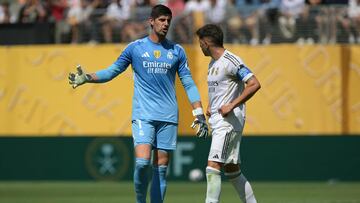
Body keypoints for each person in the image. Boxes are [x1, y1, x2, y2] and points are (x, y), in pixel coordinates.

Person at [68, 4, 208, 203]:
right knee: (142, 163)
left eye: (168, 20)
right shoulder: (135, 48)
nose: (166, 23)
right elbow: (113, 70)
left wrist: (198, 112)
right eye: (161, 20)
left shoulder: (177, 51)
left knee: (161, 169)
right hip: (143, 114)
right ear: (151, 22)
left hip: (168, 116)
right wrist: (87, 77)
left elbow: (188, 83)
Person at [196, 24, 261, 203]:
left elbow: (254, 83)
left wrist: (231, 105)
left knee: (213, 166)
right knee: (232, 171)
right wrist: (211, 105)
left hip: (228, 122)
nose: (200, 46)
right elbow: (221, 89)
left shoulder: (231, 60)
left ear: (207, 42)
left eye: (200, 42)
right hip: (220, 120)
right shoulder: (213, 63)